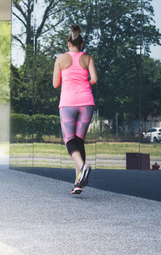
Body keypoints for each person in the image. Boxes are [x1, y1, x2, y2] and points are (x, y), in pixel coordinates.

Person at [53, 25, 98, 194]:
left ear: (68, 44)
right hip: (87, 102)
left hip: (68, 103)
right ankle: (78, 183)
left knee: (69, 140)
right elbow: (94, 79)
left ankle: (83, 167)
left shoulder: (60, 58)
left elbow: (55, 84)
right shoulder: (88, 58)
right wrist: (84, 81)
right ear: (82, 43)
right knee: (79, 141)